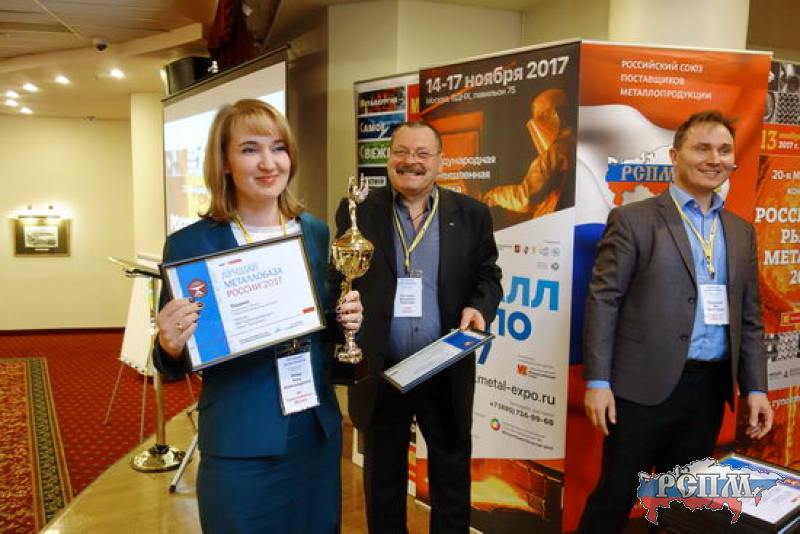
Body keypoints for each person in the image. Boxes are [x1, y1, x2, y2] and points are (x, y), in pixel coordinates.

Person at [153, 99, 362, 533]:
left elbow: (320, 329)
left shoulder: (315, 231)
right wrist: (169, 345)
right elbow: (174, 361)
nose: (269, 163)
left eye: (278, 148)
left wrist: (347, 322)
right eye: (250, 149)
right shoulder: (190, 245)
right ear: (225, 163)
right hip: (240, 437)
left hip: (314, 432)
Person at [578, 110, 774, 533]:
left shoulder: (740, 231)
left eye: (724, 150)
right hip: (640, 389)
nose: (714, 159)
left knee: (680, 504)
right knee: (615, 495)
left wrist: (756, 387)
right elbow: (604, 301)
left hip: (708, 390)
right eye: (702, 148)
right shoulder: (634, 218)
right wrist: (597, 382)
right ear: (675, 155)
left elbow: (750, 316)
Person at [330, 121, 503, 533]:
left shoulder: (471, 214)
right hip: (382, 369)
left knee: (451, 476)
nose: (411, 161)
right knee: (383, 479)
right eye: (401, 152)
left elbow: (488, 275)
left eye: (423, 153)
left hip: (444, 365)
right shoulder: (358, 211)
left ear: (440, 162)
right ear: (389, 158)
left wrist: (479, 308)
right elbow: (339, 278)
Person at [481, 88, 575, 218]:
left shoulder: (556, 153)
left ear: (551, 115)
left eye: (540, 118)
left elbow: (525, 198)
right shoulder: (574, 144)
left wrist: (493, 196)